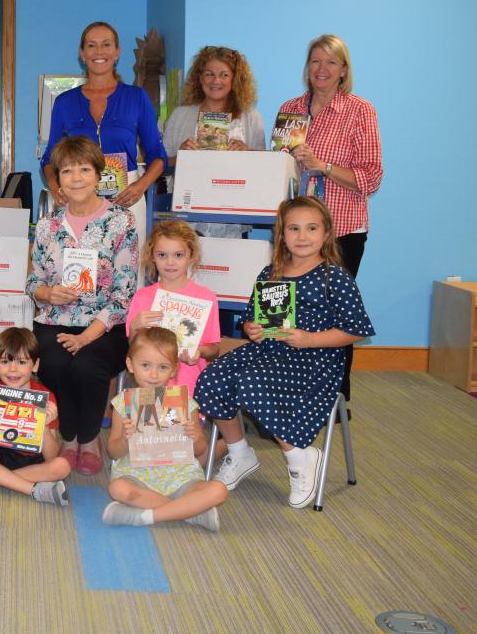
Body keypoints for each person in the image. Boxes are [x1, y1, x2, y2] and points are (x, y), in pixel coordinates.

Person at [194, 196, 374, 508]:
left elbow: (356, 330)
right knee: (212, 377)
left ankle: (300, 457)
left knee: (251, 383)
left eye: (311, 228)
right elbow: (253, 318)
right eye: (294, 228)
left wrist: (310, 339)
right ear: (282, 234)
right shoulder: (270, 273)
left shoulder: (335, 277)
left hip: (315, 359)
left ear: (326, 234)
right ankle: (239, 453)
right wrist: (251, 328)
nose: (302, 236)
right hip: (270, 352)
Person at [274, 34, 382, 394]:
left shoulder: (360, 110)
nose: (321, 69)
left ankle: (335, 396)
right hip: (294, 230)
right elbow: (275, 167)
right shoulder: (290, 108)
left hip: (342, 231)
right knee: (286, 307)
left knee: (336, 315)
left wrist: (324, 166)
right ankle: (286, 389)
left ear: (343, 70)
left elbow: (371, 176)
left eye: (330, 62)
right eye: (315, 61)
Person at [26, 135, 138, 476]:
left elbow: (124, 293)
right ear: (57, 179)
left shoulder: (122, 221)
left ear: (98, 174)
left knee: (86, 366)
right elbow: (32, 283)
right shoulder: (47, 226)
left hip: (104, 326)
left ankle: (88, 439)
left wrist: (87, 336)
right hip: (54, 320)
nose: (76, 177)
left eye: (84, 169)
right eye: (67, 170)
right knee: (55, 363)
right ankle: (70, 436)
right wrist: (48, 293)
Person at [40, 21, 165, 250]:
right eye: (91, 45)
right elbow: (49, 158)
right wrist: (55, 184)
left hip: (127, 195)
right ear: (82, 53)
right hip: (79, 193)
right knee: (82, 268)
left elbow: (158, 155)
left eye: (106, 45)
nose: (99, 52)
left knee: (127, 270)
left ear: (117, 52)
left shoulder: (136, 98)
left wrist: (141, 186)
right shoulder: (64, 102)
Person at [103, 327, 227, 531]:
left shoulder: (184, 402)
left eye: (162, 367)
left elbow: (200, 450)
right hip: (138, 476)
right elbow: (113, 451)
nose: (153, 374)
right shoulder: (124, 404)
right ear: (130, 365)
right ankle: (190, 512)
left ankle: (145, 516)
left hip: (180, 476)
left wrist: (195, 437)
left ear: (174, 369)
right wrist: (125, 439)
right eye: (145, 365)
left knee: (219, 491)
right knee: (118, 488)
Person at [0, 327, 70, 506]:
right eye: (5, 361)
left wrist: (45, 426)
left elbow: (51, 455)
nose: (13, 369)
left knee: (62, 466)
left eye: (22, 362)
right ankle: (33, 489)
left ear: (35, 365)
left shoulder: (46, 398)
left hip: (35, 460)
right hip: (0, 456)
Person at [126, 220, 221, 393]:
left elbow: (214, 348)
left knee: (183, 419)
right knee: (146, 419)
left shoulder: (206, 297)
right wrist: (134, 327)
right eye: (162, 255)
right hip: (151, 381)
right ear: (152, 256)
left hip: (189, 380)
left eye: (178, 255)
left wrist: (199, 351)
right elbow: (133, 348)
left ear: (191, 256)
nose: (170, 262)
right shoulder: (142, 297)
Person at [164, 46, 265, 158]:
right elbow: (161, 164)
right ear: (200, 78)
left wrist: (247, 152)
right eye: (209, 74)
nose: (216, 81)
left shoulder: (251, 117)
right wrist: (180, 154)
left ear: (234, 79)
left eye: (224, 75)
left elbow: (264, 164)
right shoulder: (179, 115)